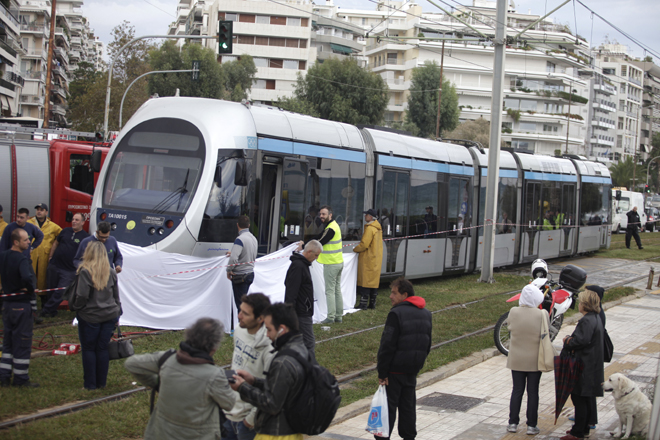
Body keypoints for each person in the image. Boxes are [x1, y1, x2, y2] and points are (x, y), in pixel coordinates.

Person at [125, 318, 236, 440]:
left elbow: (131, 364)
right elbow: (229, 404)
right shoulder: (214, 375)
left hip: (160, 433)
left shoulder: (167, 358)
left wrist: (158, 383)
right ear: (214, 348)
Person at [231, 302, 307, 440]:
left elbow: (272, 403)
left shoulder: (283, 359)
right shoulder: (298, 349)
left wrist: (242, 387)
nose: (266, 334)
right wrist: (254, 381)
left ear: (282, 329)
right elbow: (279, 387)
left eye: (269, 329)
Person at [375, 278, 432, 440]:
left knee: (388, 408)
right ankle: (409, 436)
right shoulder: (426, 313)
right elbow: (427, 343)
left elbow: (387, 345)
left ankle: (382, 437)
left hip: (394, 370)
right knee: (408, 407)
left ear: (404, 295)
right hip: (412, 369)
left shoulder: (396, 314)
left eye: (394, 293)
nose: (390, 296)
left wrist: (382, 372)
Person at [224, 293, 274, 440]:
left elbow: (271, 390)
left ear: (260, 319)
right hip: (228, 412)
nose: (239, 316)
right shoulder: (239, 330)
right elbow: (236, 363)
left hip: (249, 422)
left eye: (245, 314)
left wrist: (250, 421)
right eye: (240, 310)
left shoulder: (270, 348)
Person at [72, 241, 122, 390]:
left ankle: (90, 384)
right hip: (109, 314)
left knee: (88, 349)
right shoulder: (111, 272)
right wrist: (118, 312)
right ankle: (102, 383)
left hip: (90, 316)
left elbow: (81, 295)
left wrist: (76, 308)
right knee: (102, 348)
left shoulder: (85, 271)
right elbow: (116, 296)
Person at [560, 289, 604, 440]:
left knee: (578, 399)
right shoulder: (596, 318)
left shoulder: (586, 320)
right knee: (584, 399)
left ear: (585, 305)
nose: (578, 305)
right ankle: (582, 428)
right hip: (591, 366)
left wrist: (567, 340)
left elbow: (581, 341)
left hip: (583, 367)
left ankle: (577, 432)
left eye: (580, 302)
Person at [505, 284, 547, 435]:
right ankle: (531, 425)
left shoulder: (513, 311)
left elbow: (509, 326)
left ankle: (512, 423)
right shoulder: (542, 314)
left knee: (517, 390)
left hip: (516, 358)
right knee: (533, 392)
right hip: (535, 360)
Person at [0, 229, 39, 387]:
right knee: (22, 342)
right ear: (16, 242)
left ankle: (3, 377)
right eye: (25, 240)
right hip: (21, 306)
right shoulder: (22, 259)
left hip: (7, 306)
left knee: (8, 342)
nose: (29, 242)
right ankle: (21, 379)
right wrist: (30, 289)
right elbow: (26, 277)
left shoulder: (3, 256)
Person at [40, 213, 89, 317]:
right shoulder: (65, 231)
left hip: (69, 270)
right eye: (73, 219)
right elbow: (56, 243)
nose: (74, 221)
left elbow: (86, 255)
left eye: (77, 220)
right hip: (55, 265)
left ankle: (45, 311)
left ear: (82, 222)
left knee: (60, 292)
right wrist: (50, 256)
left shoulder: (85, 237)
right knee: (50, 288)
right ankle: (51, 311)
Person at [284, 240, 322, 360]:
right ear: (309, 251)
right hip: (301, 312)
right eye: (316, 255)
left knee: (301, 343)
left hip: (303, 310)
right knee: (308, 342)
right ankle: (311, 370)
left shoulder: (302, 265)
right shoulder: (299, 266)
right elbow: (291, 291)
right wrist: (290, 313)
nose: (316, 258)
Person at [316, 205, 344, 325]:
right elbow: (320, 237)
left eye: (324, 214)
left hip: (331, 263)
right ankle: (338, 316)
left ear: (330, 215)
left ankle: (331, 317)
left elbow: (320, 241)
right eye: (320, 214)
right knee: (337, 290)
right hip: (338, 262)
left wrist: (305, 245)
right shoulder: (333, 226)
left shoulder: (331, 228)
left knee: (330, 291)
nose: (321, 216)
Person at [353, 209, 383, 310]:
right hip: (376, 257)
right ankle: (372, 303)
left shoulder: (370, 228)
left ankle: (363, 304)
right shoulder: (378, 228)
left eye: (366, 215)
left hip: (368, 258)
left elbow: (364, 244)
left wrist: (355, 249)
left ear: (371, 217)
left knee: (365, 281)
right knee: (373, 281)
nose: (365, 216)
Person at [28, 203, 62, 292]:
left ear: (46, 212)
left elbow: (62, 236)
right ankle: (30, 295)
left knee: (43, 276)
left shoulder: (52, 226)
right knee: (29, 275)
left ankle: (43, 297)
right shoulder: (29, 223)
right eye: (38, 210)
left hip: (45, 256)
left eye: (41, 210)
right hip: (31, 255)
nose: (39, 212)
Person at [227, 215, 258, 312]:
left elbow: (233, 259)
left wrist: (229, 270)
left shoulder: (240, 239)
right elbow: (247, 253)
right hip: (250, 274)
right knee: (244, 303)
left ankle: (243, 326)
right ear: (249, 225)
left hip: (240, 276)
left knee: (241, 307)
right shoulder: (253, 238)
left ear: (237, 225)